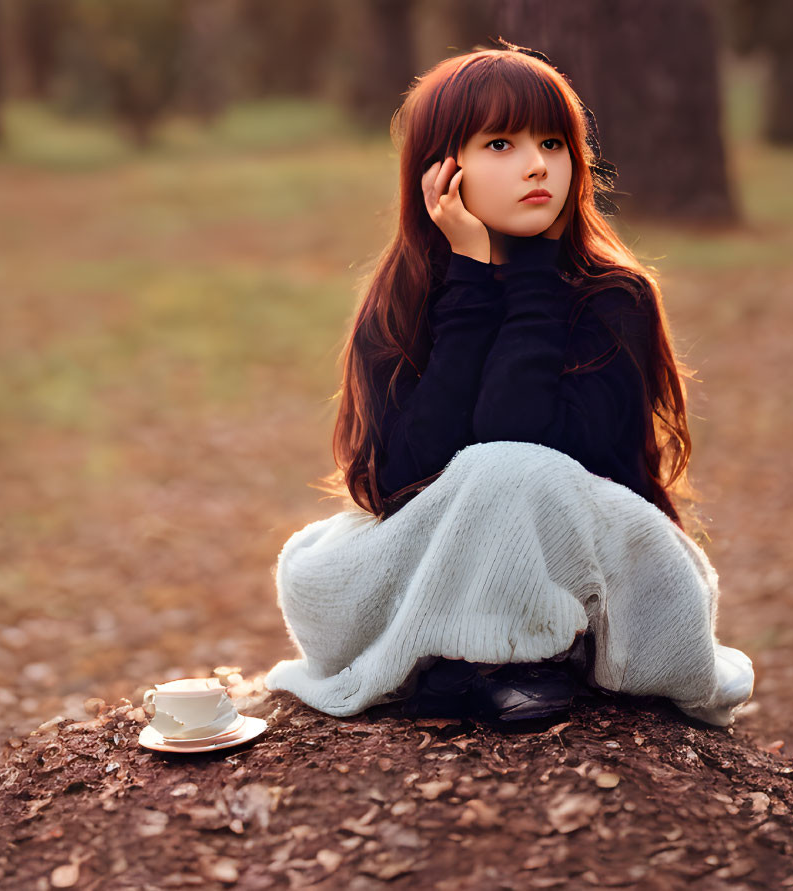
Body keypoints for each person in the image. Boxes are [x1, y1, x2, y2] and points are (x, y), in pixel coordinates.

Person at [264, 42, 755, 728]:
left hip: (592, 558)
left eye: (553, 142)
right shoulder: (403, 299)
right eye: (501, 142)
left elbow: (521, 444)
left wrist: (530, 274)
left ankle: (500, 659)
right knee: (311, 567)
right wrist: (470, 276)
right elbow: (399, 479)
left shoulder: (614, 298)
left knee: (507, 467)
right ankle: (468, 653)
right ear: (441, 170)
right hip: (449, 538)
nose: (537, 165)